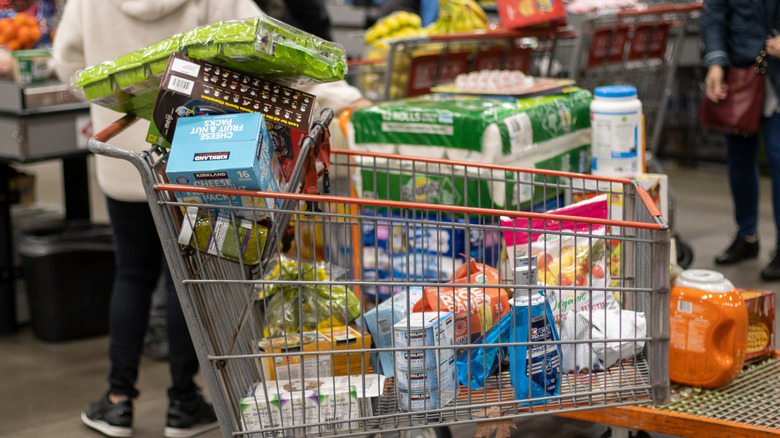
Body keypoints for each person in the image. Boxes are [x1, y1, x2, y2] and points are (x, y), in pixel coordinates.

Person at [52, 1, 263, 437]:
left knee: (131, 273)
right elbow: (256, 41)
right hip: (191, 154)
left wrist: (116, 101)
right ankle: (183, 402)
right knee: (183, 280)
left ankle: (118, 401)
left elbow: (66, 62)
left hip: (121, 152)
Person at [700, 0, 780, 280]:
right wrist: (715, 62)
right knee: (739, 158)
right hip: (741, 72)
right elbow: (714, 14)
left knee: (778, 156)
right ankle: (747, 237)